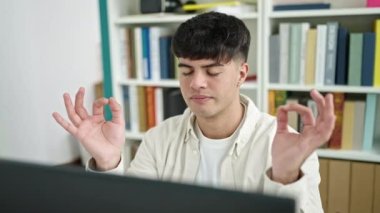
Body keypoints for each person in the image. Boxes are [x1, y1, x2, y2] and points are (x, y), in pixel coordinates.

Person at [53, 12, 335, 212]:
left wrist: (285, 177)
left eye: (212, 71)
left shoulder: (288, 145)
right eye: (186, 71)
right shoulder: (159, 139)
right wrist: (108, 162)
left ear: (241, 74)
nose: (196, 83)